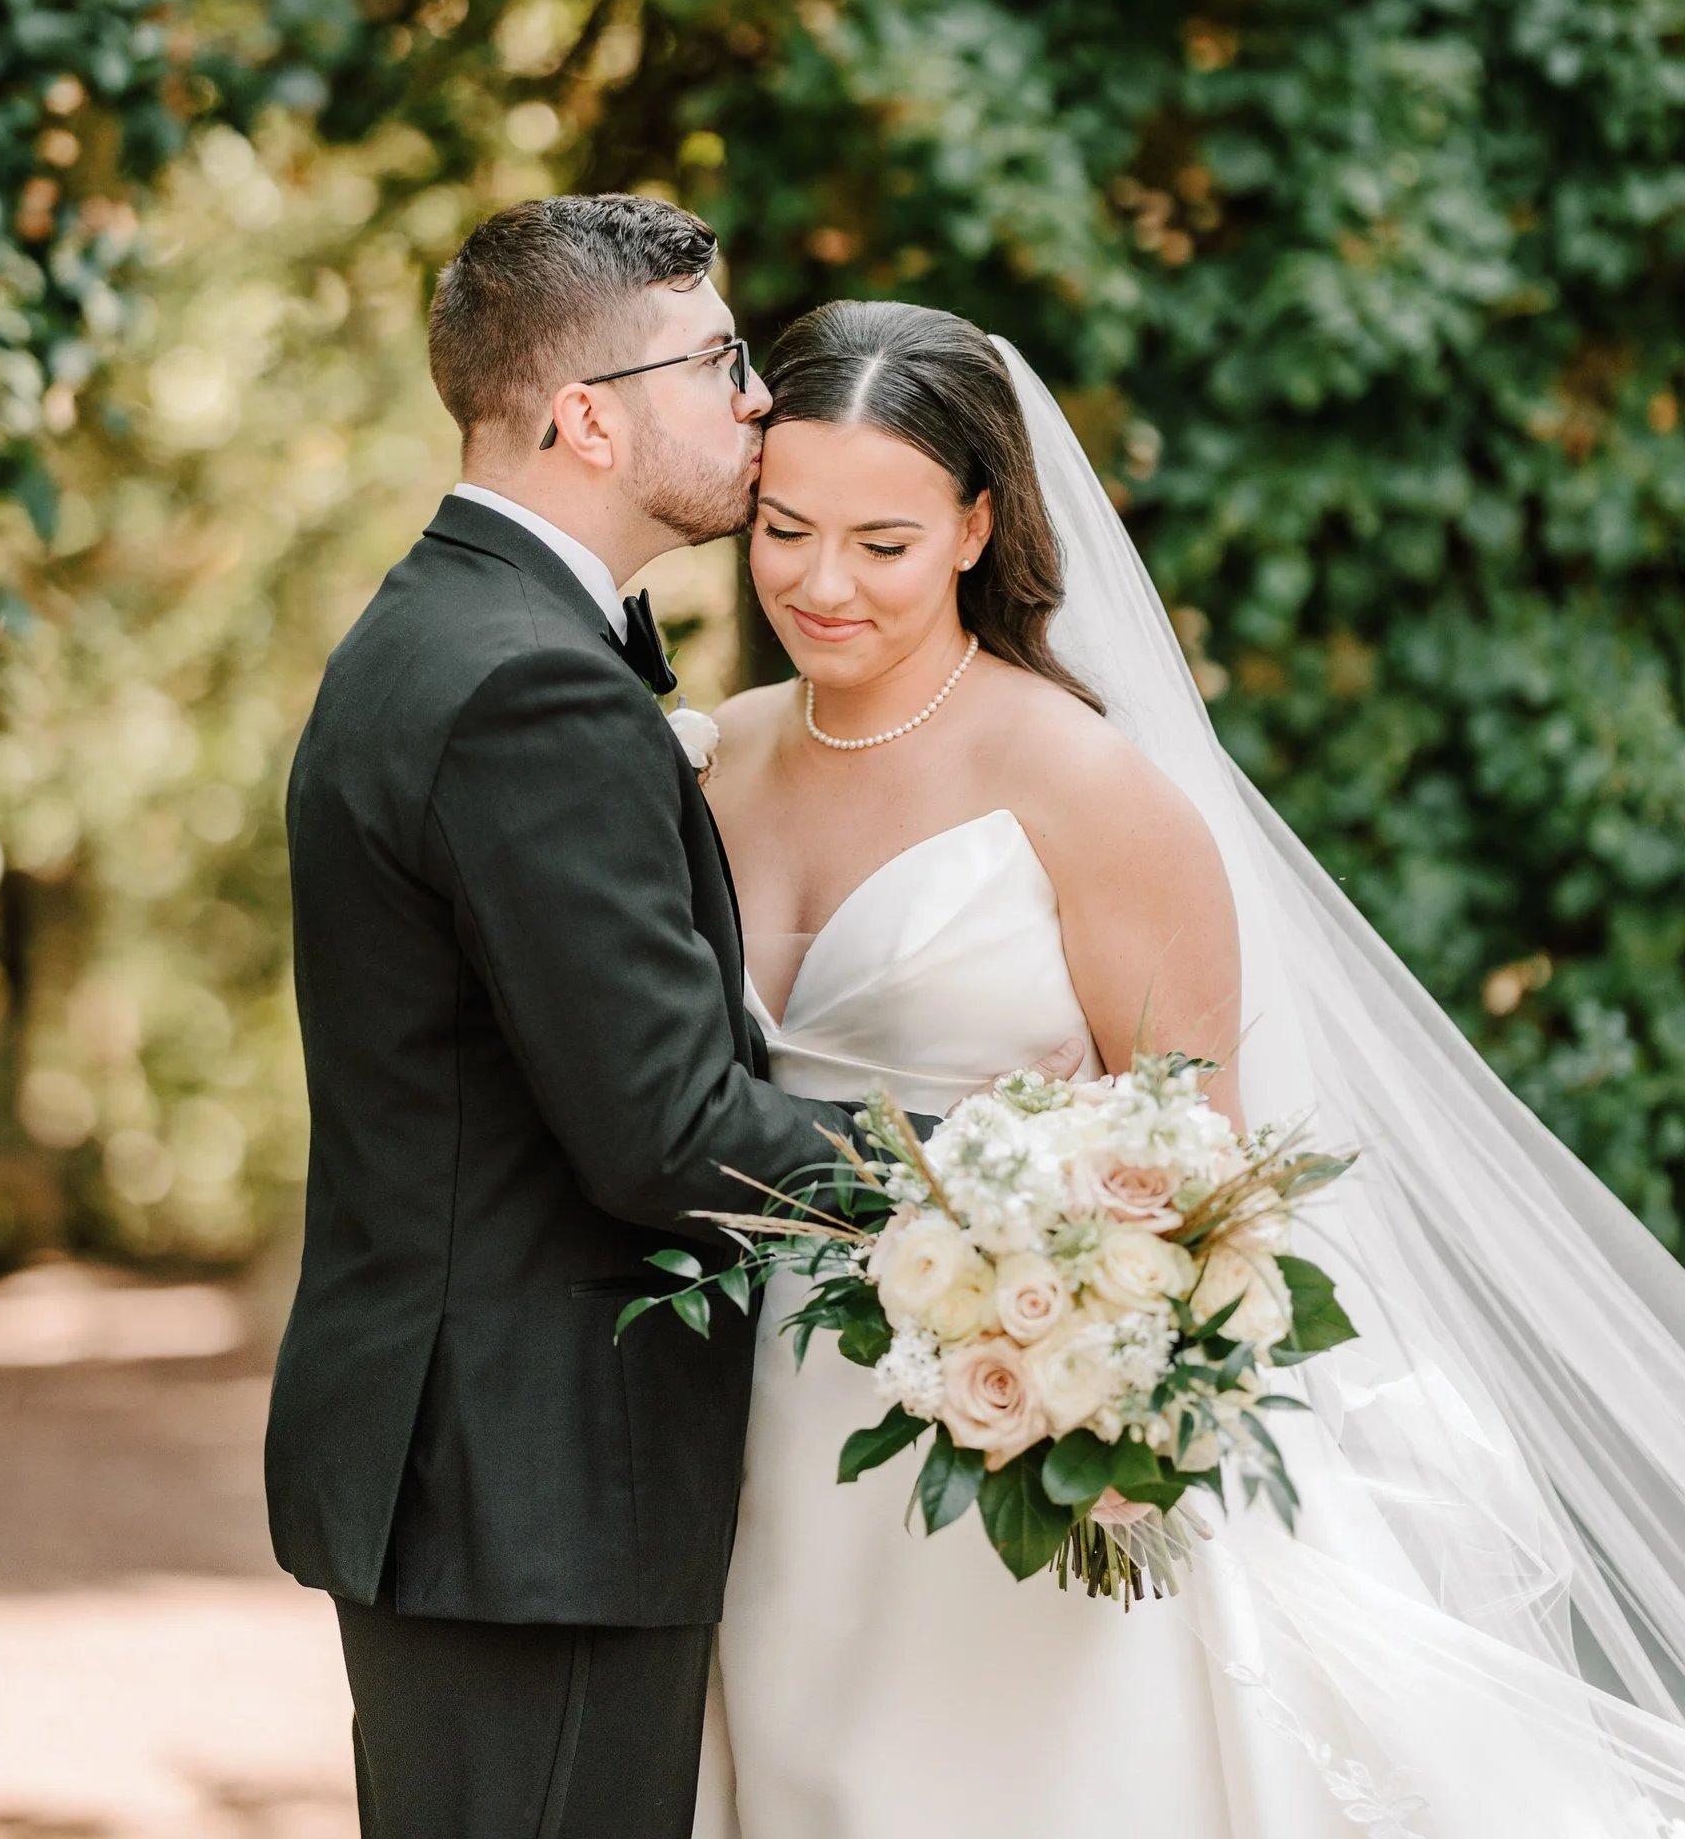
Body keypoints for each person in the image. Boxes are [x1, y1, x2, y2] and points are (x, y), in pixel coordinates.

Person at [696, 297, 1685, 1839]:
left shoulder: (1089, 788)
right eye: (783, 528)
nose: (821, 584)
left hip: (1024, 1442)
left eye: (881, 544)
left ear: (974, 523)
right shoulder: (719, 757)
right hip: (757, 1434)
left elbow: (1201, 1176)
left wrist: (1094, 1403)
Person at [265, 195, 877, 1839]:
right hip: (534, 1492)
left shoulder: (456, 631)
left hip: (490, 1477)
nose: (758, 397)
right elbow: (666, 1132)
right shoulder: (524, 682)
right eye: (722, 360)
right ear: (588, 414)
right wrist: (1000, 1174)